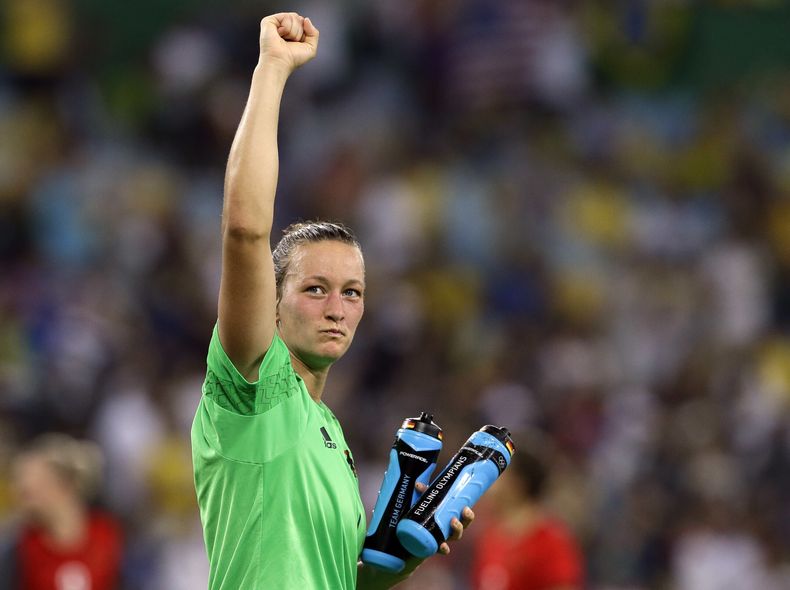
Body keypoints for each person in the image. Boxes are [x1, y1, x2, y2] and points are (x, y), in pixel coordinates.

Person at [190, 12, 473, 590]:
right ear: (272, 302)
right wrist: (272, 69)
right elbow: (245, 229)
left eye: (352, 293)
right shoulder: (252, 385)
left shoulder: (330, 433)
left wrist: (402, 563)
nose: (336, 308)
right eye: (315, 289)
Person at [1, 434, 123, 590]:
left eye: (30, 493)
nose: (19, 498)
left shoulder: (107, 536)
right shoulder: (20, 547)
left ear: (64, 484)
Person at [469, 437, 583, 590]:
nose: (489, 482)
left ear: (518, 483)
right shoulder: (489, 537)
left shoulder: (552, 541)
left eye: (498, 474)